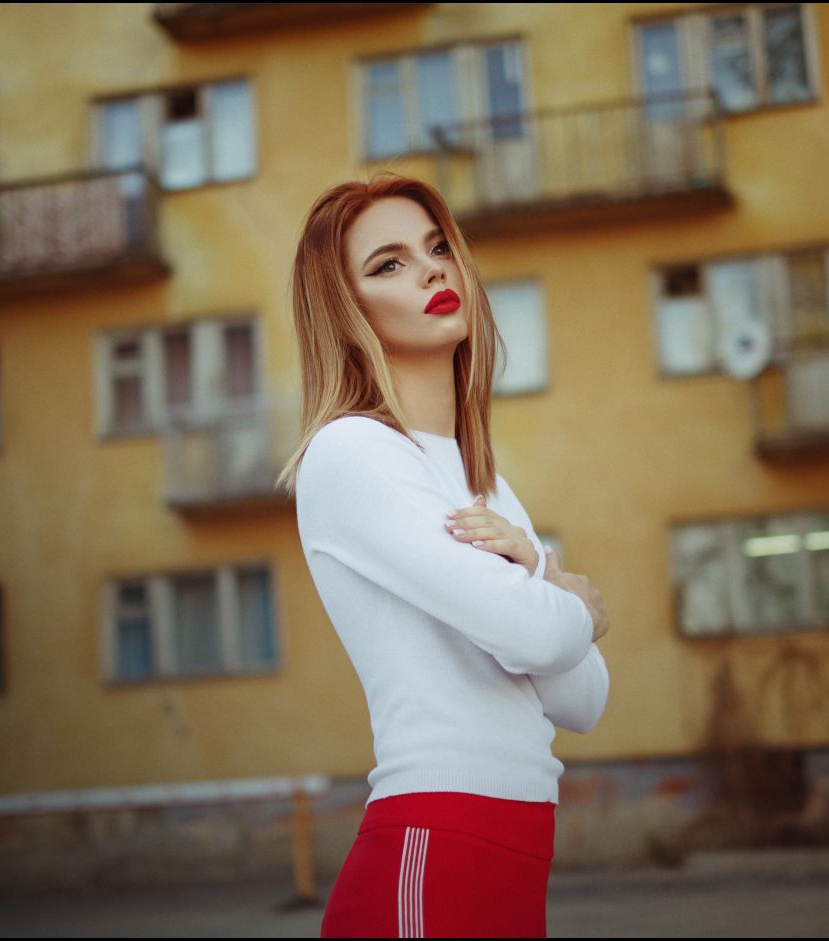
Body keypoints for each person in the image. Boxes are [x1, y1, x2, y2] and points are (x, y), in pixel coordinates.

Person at [275, 172, 610, 938]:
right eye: (389, 263)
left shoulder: (483, 481)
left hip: (516, 848)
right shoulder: (351, 452)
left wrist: (536, 576)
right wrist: (570, 599)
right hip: (433, 848)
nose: (431, 271)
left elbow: (582, 699)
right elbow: (544, 636)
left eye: (437, 248)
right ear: (346, 310)